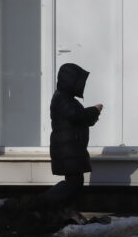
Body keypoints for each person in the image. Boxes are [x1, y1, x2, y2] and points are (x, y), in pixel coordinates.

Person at [43, 62, 103, 206]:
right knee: (73, 183)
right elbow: (76, 116)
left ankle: (61, 209)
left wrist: (92, 116)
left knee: (74, 182)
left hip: (70, 149)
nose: (81, 85)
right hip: (67, 150)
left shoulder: (65, 98)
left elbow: (78, 119)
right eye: (79, 81)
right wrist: (94, 110)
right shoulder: (62, 99)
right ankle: (44, 203)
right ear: (71, 81)